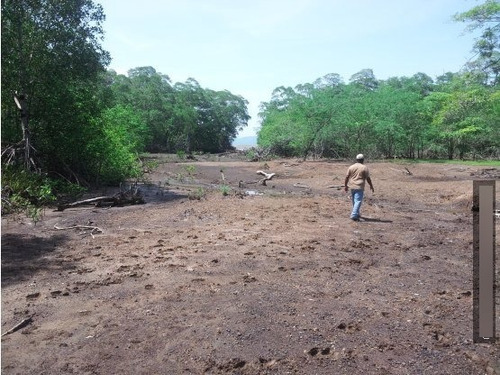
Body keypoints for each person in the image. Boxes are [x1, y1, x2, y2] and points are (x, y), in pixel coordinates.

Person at [344, 154, 374, 221]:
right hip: (359, 186)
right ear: (363, 160)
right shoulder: (364, 167)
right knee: (358, 201)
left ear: (356, 160)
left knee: (355, 201)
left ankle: (356, 213)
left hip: (352, 186)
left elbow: (347, 177)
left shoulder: (351, 167)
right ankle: (354, 215)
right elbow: (368, 178)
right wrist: (371, 185)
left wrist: (345, 185)